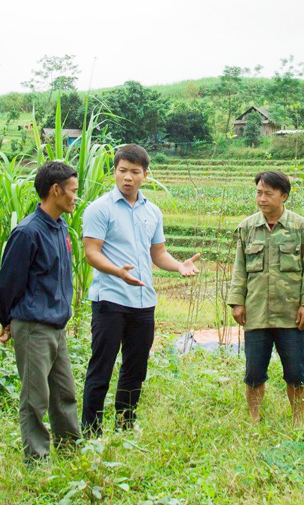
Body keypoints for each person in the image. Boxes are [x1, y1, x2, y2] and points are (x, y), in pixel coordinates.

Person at [81, 144, 200, 437]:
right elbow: (91, 253)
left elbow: (158, 254)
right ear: (115, 172)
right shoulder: (100, 208)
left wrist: (179, 266)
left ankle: (124, 425)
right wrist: (118, 272)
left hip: (144, 301)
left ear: (146, 175)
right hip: (110, 299)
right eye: (122, 171)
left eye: (135, 172)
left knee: (136, 368)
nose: (128, 178)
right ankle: (91, 432)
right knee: (102, 367)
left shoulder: (152, 211)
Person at [0, 161, 81, 462]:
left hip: (56, 327)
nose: (75, 197)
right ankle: (38, 459)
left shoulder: (60, 227)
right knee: (35, 399)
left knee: (64, 393)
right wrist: (6, 320)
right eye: (72, 191)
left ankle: (70, 450)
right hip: (33, 328)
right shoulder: (28, 232)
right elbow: (7, 284)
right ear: (55, 190)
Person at [226, 170, 304, 425]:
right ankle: (254, 419)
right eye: (259, 192)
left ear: (284, 196)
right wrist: (237, 302)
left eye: (268, 193)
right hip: (256, 313)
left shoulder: (301, 227)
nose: (262, 198)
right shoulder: (247, 228)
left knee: (295, 373)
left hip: (291, 315)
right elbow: (239, 268)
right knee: (254, 373)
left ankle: (298, 420)